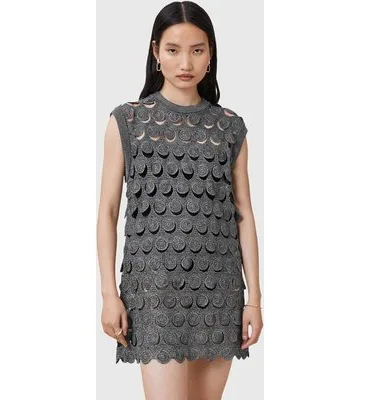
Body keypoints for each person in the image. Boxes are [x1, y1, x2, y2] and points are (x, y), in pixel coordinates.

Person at [97, 1, 263, 399]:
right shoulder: (127, 121)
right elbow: (107, 211)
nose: (185, 62)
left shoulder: (230, 127)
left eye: (197, 50)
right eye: (173, 50)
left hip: (219, 289)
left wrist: (254, 300)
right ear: (156, 52)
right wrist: (108, 294)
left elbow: (243, 215)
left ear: (211, 54)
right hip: (152, 292)